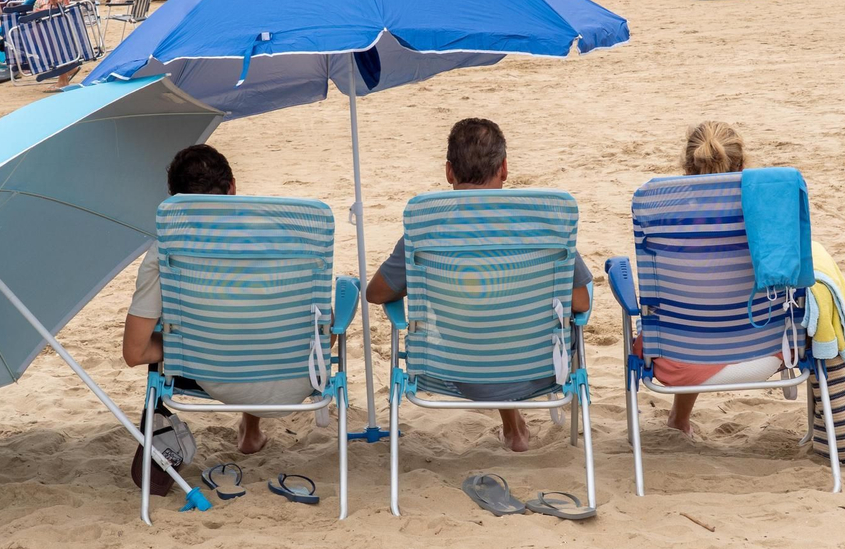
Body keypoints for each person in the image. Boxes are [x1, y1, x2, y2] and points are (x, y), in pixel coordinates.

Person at [649, 122, 845, 467]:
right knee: (819, 298)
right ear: (743, 164)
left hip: (678, 356)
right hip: (766, 349)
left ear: (686, 165)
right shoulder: (773, 212)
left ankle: (679, 419)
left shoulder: (658, 210)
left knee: (698, 308)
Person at [364, 118, 592, 453]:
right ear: (504, 169)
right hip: (535, 371)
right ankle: (515, 429)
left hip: (453, 372)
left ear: (448, 172)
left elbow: (376, 293)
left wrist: (423, 279)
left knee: (480, 300)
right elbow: (581, 302)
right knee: (503, 304)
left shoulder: (427, 229)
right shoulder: (539, 225)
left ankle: (513, 427)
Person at [122, 144, 316, 455]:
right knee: (284, 312)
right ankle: (250, 431)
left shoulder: (166, 253)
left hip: (218, 375)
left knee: (223, 318)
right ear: (232, 187)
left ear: (177, 202)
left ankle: (249, 425)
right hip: (299, 377)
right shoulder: (289, 236)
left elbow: (134, 352)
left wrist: (187, 339)